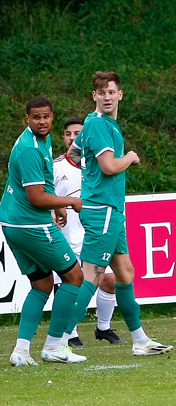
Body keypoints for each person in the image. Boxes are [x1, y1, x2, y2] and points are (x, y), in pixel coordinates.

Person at [66, 71, 171, 356]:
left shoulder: (93, 122)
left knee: (125, 273)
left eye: (111, 91)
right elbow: (110, 167)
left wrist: (90, 176)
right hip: (103, 210)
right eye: (102, 92)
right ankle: (59, 341)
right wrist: (130, 157)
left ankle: (139, 340)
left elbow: (74, 154)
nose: (107, 96)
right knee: (93, 275)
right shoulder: (101, 126)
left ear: (120, 94)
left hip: (111, 209)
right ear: (95, 96)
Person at [0, 97, 86, 365]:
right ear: (27, 119)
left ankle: (21, 352)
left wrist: (55, 205)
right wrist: (68, 201)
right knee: (74, 276)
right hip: (31, 224)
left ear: (52, 117)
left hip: (13, 222)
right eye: (37, 117)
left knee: (43, 283)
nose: (42, 121)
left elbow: (42, 187)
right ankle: (55, 346)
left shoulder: (38, 140)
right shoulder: (29, 149)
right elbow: (36, 198)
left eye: (46, 116)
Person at [52, 116, 119, 346]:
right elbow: (40, 197)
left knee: (110, 279)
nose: (72, 138)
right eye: (68, 133)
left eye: (77, 133)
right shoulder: (55, 166)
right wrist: (54, 210)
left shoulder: (96, 163)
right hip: (66, 239)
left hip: (93, 236)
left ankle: (103, 327)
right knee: (71, 284)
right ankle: (70, 334)